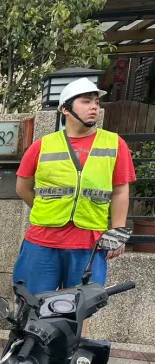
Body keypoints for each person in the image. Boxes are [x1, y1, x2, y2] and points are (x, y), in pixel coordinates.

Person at [12, 77, 135, 294]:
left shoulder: (115, 144)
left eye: (97, 102)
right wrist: (46, 209)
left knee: (80, 308)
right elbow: (22, 188)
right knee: (34, 305)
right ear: (65, 109)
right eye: (87, 101)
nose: (94, 107)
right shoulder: (43, 145)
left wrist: (117, 231)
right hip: (43, 240)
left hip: (89, 242)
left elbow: (120, 190)